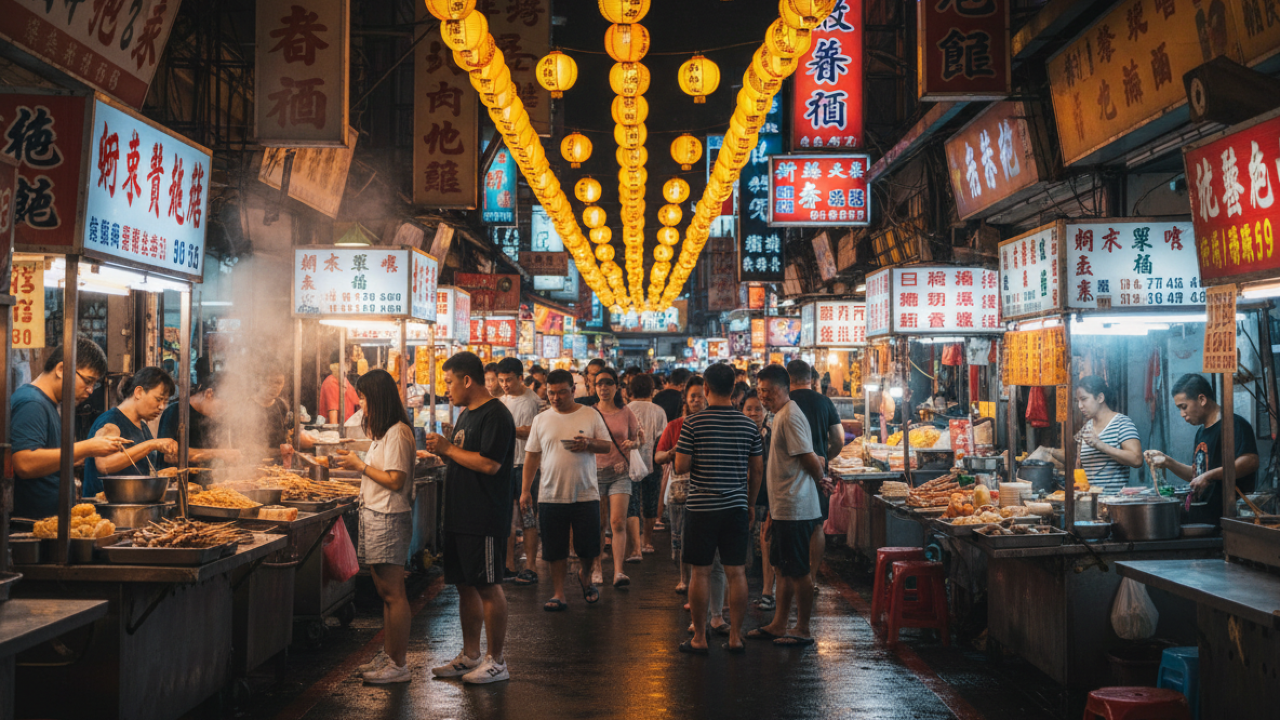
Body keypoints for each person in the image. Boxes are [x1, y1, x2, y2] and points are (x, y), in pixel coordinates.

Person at [425, 352, 517, 684]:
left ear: (467, 380)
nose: (446, 389)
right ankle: (470, 655)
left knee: (488, 586)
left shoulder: (496, 415)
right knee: (465, 586)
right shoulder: (466, 414)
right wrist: (445, 450)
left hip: (484, 515)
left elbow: (490, 464)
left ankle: (497, 661)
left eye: (449, 382)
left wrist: (448, 449)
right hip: (459, 515)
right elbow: (463, 456)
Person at [332, 370, 417, 684]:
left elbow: (396, 481)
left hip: (389, 517)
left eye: (364, 398)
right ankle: (390, 654)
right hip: (377, 514)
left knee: (394, 593)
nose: (361, 404)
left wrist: (360, 466)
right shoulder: (384, 433)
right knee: (385, 592)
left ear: (377, 399)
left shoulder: (397, 433)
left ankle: (398, 664)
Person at [674, 363, 764, 654]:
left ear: (707, 390)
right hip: (736, 505)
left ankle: (699, 638)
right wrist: (749, 503)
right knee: (736, 572)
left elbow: (681, 465)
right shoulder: (749, 425)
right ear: (734, 391)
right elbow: (757, 470)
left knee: (700, 573)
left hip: (701, 507)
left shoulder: (693, 423)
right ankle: (736, 636)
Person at [520, 369, 613, 611]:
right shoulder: (542, 419)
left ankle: (585, 573)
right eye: (551, 393)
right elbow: (531, 457)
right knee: (554, 548)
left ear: (573, 390)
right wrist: (525, 490)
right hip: (550, 494)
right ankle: (559, 593)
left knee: (588, 546)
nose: (556, 397)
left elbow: (606, 446)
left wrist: (589, 444)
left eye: (562, 392)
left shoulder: (590, 415)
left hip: (586, 493)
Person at [750, 364, 825, 647]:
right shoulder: (779, 415)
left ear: (784, 388)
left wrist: (822, 479)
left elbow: (808, 456)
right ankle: (779, 623)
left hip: (797, 507)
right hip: (783, 506)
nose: (763, 397)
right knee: (782, 568)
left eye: (767, 391)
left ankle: (803, 628)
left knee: (798, 571)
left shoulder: (791, 416)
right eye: (760, 391)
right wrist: (772, 509)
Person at [11, 337, 125, 518]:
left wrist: (83, 454)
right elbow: (24, 463)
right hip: (33, 525)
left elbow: (49, 459)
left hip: (53, 522)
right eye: (88, 381)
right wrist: (86, 447)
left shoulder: (50, 404)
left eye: (94, 384)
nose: (90, 390)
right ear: (62, 369)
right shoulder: (32, 403)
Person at [1147, 373, 1259, 525]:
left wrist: (1209, 475)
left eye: (1184, 407)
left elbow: (1250, 462)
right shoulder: (1201, 432)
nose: (1182, 414)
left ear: (1202, 399)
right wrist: (1167, 461)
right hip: (1207, 519)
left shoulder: (1233, 425)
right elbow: (1197, 475)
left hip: (1229, 520)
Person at [786, 359, 844, 592]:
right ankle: (812, 579)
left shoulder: (786, 403)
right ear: (811, 379)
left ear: (788, 379)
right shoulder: (825, 402)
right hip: (819, 471)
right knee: (817, 525)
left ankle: (791, 577)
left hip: (790, 473)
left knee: (790, 525)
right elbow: (839, 439)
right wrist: (825, 456)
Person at [85, 368, 179, 498]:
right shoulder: (111, 423)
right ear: (139, 392)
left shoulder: (143, 427)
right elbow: (104, 465)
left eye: (166, 402)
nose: (162, 407)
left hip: (134, 508)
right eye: (158, 399)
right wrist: (151, 445)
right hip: (107, 512)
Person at [591, 367, 641, 588]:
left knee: (617, 522)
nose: (603, 387)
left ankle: (619, 571)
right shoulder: (590, 412)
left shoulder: (625, 411)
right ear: (595, 387)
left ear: (616, 387)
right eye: (599, 383)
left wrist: (634, 443)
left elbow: (639, 437)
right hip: (595, 474)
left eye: (608, 383)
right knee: (599, 525)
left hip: (620, 473)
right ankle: (597, 568)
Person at [655, 376, 705, 596]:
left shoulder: (710, 424)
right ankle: (684, 579)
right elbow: (657, 457)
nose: (697, 400)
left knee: (699, 539)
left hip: (705, 491)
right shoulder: (674, 426)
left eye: (701, 396)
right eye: (693, 396)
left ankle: (698, 580)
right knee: (679, 537)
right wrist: (670, 454)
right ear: (685, 398)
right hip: (679, 492)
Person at [1049, 376, 1142, 494]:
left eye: (1084, 399)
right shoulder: (1086, 428)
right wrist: (1050, 452)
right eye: (1078, 401)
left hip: (1114, 504)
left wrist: (1100, 445)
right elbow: (1076, 462)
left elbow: (1137, 460)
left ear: (1100, 397)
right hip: (1090, 503)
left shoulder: (1122, 423)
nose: (1080, 406)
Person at [497, 357, 542, 586]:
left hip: (527, 465)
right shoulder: (499, 401)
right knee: (507, 517)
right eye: (501, 380)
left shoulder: (533, 401)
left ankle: (531, 566)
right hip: (505, 465)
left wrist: (508, 430)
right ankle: (508, 565)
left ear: (520, 378)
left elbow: (534, 432)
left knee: (527, 515)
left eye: (509, 380)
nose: (505, 384)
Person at [742, 390, 777, 613]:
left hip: (766, 494)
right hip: (740, 495)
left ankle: (767, 592)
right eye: (749, 408)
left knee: (766, 542)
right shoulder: (737, 433)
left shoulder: (772, 434)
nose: (754, 413)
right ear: (742, 410)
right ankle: (737, 595)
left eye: (758, 408)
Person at [158, 374, 242, 465]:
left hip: (206, 477)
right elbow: (169, 456)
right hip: (174, 477)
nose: (222, 412)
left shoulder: (212, 418)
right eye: (222, 407)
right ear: (209, 394)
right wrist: (220, 453)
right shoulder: (175, 412)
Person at [627, 374, 668, 555]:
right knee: (650, 502)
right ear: (652, 390)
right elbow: (662, 438)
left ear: (631, 390)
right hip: (653, 462)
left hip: (629, 463)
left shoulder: (626, 410)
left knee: (632, 503)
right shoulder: (658, 410)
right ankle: (647, 542)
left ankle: (635, 545)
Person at [318, 351, 360, 424]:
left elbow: (357, 403)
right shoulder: (331, 382)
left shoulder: (345, 381)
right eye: (346, 361)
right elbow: (333, 420)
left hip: (348, 428)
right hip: (338, 431)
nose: (349, 364)